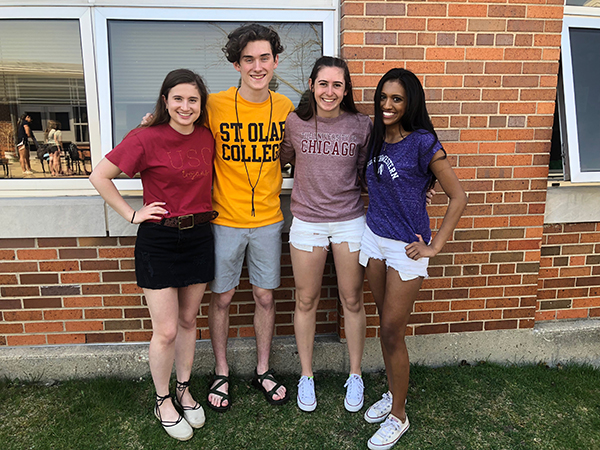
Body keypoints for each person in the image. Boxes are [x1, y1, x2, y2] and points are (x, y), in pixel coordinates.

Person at [90, 69, 215, 441]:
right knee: (166, 330)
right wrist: (132, 214)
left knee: (190, 321)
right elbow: (100, 175)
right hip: (159, 240)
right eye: (178, 98)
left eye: (193, 99)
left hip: (199, 237)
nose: (185, 106)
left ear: (200, 104)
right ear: (165, 101)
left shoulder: (207, 136)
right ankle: (162, 400)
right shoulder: (146, 138)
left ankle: (183, 389)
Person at [361, 68, 467, 450]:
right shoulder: (376, 139)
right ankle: (393, 394)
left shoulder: (423, 142)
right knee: (383, 327)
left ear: (410, 104)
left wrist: (434, 246)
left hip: (406, 248)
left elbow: (458, 196)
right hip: (373, 241)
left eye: (397, 99)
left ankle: (399, 416)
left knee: (392, 330)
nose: (387, 105)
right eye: (383, 98)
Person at [205, 23, 294, 412]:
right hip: (225, 217)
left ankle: (262, 369)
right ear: (237, 64)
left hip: (269, 219)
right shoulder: (213, 105)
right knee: (222, 297)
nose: (257, 67)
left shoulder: (287, 107)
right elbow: (178, 129)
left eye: (264, 58)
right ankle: (221, 371)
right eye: (248, 60)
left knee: (264, 295)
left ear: (275, 61)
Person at [279, 56, 372, 413]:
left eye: (337, 85)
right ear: (312, 85)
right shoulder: (295, 123)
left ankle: (355, 374)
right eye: (323, 84)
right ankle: (306, 375)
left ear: (345, 89)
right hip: (307, 221)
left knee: (352, 300)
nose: (329, 92)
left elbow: (370, 171)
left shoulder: (361, 125)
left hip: (350, 220)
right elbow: (281, 159)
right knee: (306, 300)